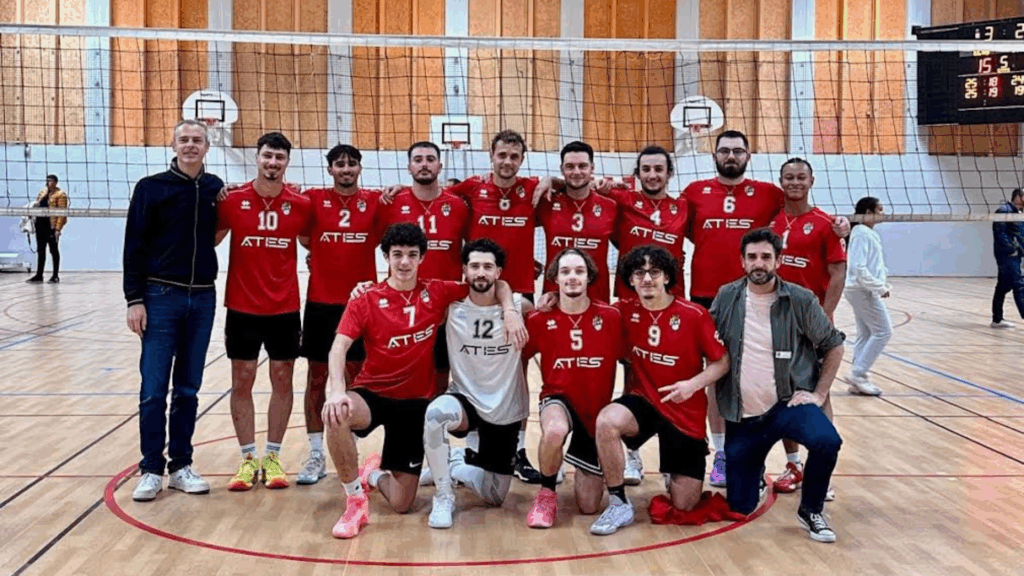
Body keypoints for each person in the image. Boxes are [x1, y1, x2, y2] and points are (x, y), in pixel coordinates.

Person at [322, 223, 525, 539]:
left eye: (412, 255)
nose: (404, 262)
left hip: (415, 404)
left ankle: (373, 474)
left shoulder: (438, 292)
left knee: (403, 504)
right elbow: (338, 347)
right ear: (386, 258)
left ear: (421, 259)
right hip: (372, 393)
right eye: (397, 255)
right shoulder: (366, 297)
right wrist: (336, 392)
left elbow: (491, 284)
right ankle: (354, 500)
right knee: (335, 415)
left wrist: (510, 309)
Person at [683, 130, 848, 488]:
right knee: (719, 379)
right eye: (724, 150)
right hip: (710, 299)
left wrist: (844, 224)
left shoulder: (771, 195)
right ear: (714, 154)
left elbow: (809, 212)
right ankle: (725, 455)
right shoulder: (695, 192)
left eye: (737, 150)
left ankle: (809, 464)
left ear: (748, 156)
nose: (731, 155)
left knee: (793, 381)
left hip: (768, 300)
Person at [709, 227, 845, 543]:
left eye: (766, 257)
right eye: (752, 257)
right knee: (739, 507)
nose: (759, 263)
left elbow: (834, 345)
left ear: (778, 260)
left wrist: (819, 393)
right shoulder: (726, 296)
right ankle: (752, 474)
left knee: (827, 441)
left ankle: (811, 509)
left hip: (788, 405)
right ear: (742, 261)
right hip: (742, 417)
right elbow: (706, 344)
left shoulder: (800, 299)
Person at [590, 245, 729, 535]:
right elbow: (585, 310)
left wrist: (693, 384)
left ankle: (675, 471)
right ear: (630, 280)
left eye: (654, 272)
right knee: (606, 421)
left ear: (667, 276)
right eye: (639, 273)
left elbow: (722, 361)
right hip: (645, 402)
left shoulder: (694, 314)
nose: (647, 279)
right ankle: (618, 502)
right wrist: (550, 298)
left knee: (685, 505)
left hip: (684, 409)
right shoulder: (624, 310)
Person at [123, 120, 223, 501]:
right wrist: (134, 299)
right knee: (152, 389)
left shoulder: (215, 189)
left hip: (202, 297)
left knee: (188, 388)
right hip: (160, 295)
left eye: (197, 140)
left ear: (207, 146)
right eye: (184, 140)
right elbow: (133, 246)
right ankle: (150, 468)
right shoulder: (150, 188)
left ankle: (180, 464)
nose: (190, 145)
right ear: (173, 144)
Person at [445, 130, 545, 483]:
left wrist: (554, 179)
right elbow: (435, 196)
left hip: (519, 298)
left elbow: (568, 185)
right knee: (472, 371)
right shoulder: (472, 189)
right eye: (502, 155)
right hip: (476, 295)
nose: (507, 162)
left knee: (516, 375)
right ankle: (472, 446)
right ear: (492, 155)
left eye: (514, 156)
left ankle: (517, 450)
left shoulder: (533, 189)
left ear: (522, 158)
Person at [216, 132, 312, 491]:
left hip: (284, 306)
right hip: (241, 306)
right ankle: (246, 459)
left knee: (283, 380)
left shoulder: (300, 204)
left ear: (287, 162)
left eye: (279, 158)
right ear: (257, 158)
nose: (273, 163)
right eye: (268, 156)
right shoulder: (232, 200)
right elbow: (210, 238)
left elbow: (311, 241)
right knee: (241, 380)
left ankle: (272, 457)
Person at [423, 238, 534, 528]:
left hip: (504, 408)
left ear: (499, 273)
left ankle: (455, 464)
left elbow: (552, 310)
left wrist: (511, 308)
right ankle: (444, 494)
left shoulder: (521, 307)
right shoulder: (451, 306)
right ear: (465, 271)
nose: (481, 273)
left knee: (495, 497)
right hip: (465, 400)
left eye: (488, 267)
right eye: (474, 266)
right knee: (435, 415)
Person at [295, 144, 385, 485]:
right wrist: (317, 251)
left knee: (362, 375)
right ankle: (317, 452)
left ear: (359, 168)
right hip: (321, 302)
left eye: (351, 164)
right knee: (317, 377)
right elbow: (303, 235)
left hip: (362, 302)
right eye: (339, 164)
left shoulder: (376, 201)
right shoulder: (313, 199)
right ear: (330, 169)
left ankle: (358, 448)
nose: (346, 169)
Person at [521, 248, 624, 529]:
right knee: (554, 430)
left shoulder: (612, 317)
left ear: (589, 276)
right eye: (565, 272)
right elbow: (519, 359)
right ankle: (546, 493)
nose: (572, 277)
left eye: (579, 271)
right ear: (555, 278)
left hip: (596, 412)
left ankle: (589, 464)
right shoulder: (539, 319)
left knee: (589, 507)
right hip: (558, 400)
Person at [769, 158, 847, 495]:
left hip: (810, 323)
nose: (795, 182)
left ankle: (821, 472)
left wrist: (823, 318)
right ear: (781, 181)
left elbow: (838, 273)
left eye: (801, 177)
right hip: (775, 321)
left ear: (812, 181)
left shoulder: (826, 223)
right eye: (789, 177)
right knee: (785, 395)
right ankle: (794, 465)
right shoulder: (771, 221)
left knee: (819, 393)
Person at [536, 141, 619, 303]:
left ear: (592, 168)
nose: (576, 172)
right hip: (554, 296)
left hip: (597, 297)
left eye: (582, 166)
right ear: (561, 169)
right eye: (570, 166)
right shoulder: (546, 202)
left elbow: (627, 244)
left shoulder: (610, 206)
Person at [844, 197, 892, 396]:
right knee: (883, 331)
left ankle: (859, 378)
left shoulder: (867, 233)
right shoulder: (862, 233)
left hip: (860, 289)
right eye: (880, 209)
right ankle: (858, 372)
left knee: (865, 333)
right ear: (869, 211)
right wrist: (879, 287)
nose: (884, 212)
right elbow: (858, 267)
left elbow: (871, 265)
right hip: (861, 289)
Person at [990, 188, 1024, 329]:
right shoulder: (1004, 211)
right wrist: (1012, 250)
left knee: (1003, 287)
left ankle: (997, 319)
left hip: (1015, 256)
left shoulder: (1018, 213)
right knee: (1019, 284)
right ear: (1018, 197)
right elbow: (1000, 234)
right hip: (1007, 256)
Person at [27, 174, 68, 283]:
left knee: (53, 250)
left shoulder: (61, 195)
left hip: (51, 226)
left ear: (55, 182)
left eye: (50, 181)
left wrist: (58, 229)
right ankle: (39, 275)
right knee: (41, 250)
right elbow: (36, 206)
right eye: (47, 180)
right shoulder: (42, 192)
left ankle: (55, 276)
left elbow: (62, 214)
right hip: (40, 225)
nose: (48, 183)